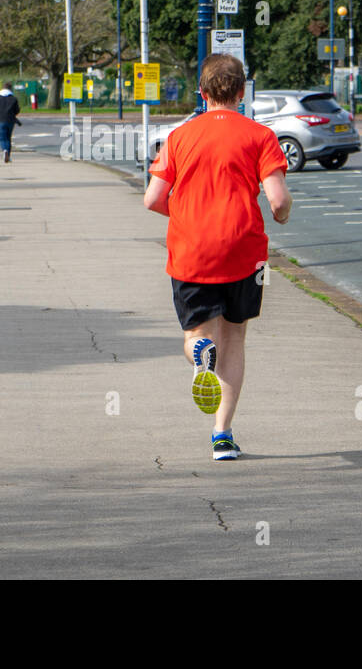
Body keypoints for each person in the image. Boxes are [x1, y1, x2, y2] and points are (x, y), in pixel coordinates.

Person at [142, 54, 291, 461]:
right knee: (235, 337)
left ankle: (197, 354)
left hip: (193, 250)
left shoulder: (179, 137)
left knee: (198, 335)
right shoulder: (260, 136)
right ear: (242, 92)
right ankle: (222, 435)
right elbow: (277, 200)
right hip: (245, 251)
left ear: (203, 92)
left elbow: (153, 198)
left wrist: (189, 215)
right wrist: (281, 213)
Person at [0, 82, 21, 163]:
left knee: (2, 138)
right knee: (8, 138)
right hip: (10, 121)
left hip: (1, 120)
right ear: (10, 89)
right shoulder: (14, 99)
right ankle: (8, 155)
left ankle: (4, 150)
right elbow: (17, 111)